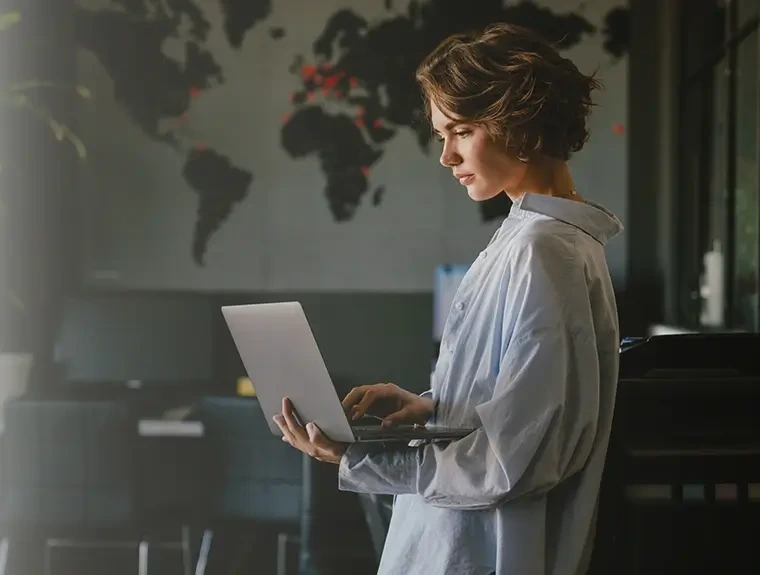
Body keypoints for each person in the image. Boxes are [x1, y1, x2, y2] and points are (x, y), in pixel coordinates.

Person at [273, 22, 623, 575]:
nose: (446, 157)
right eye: (442, 135)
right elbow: (524, 400)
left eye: (459, 131)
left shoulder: (545, 251)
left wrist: (357, 457)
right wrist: (435, 407)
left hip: (483, 551)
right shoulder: (534, 241)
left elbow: (517, 459)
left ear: (519, 121)